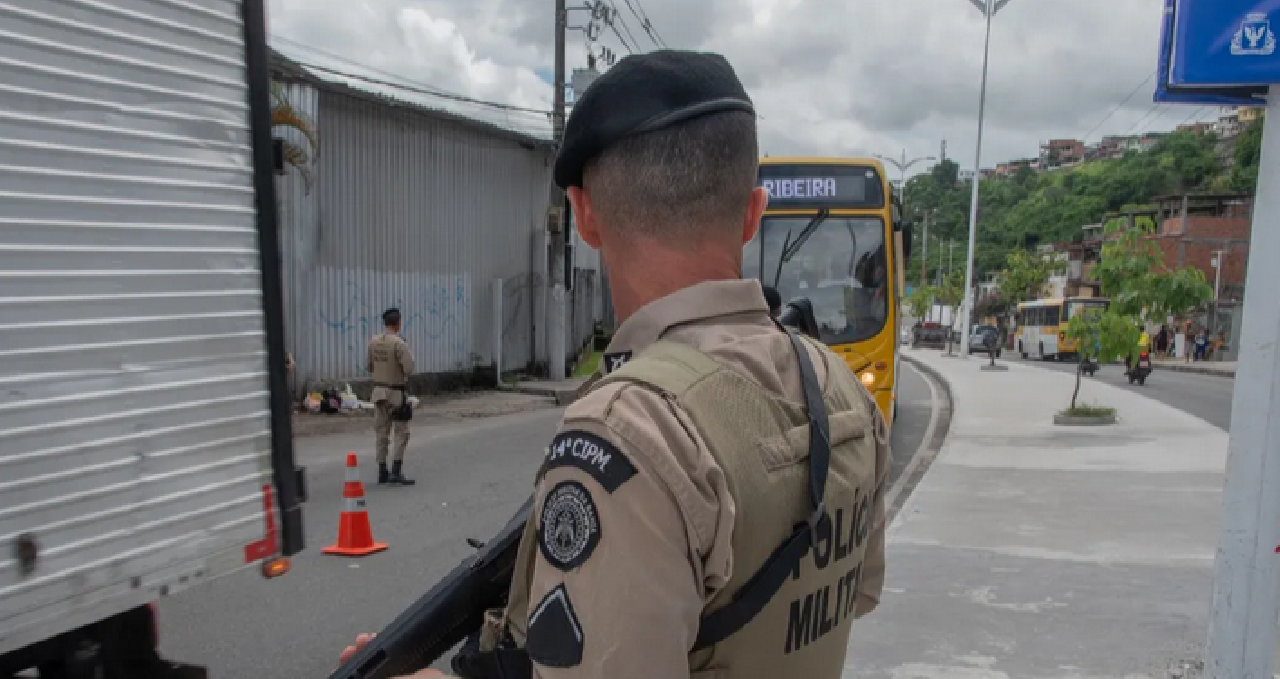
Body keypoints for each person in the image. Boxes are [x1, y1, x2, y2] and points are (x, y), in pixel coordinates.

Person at [339, 50, 888, 679]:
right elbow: (856, 595)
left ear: (586, 214)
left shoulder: (629, 431)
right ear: (753, 213)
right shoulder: (839, 386)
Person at [367, 308, 416, 486]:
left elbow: (369, 366)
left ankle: (382, 470)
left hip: (378, 392)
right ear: (398, 323)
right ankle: (396, 470)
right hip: (396, 392)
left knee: (381, 432)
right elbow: (409, 368)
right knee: (402, 432)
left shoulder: (373, 342)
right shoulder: (399, 343)